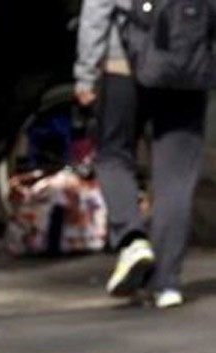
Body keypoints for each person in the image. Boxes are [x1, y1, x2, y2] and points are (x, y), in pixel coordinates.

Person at [75, 0, 208, 308]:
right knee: (176, 178)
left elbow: (97, 8)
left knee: (113, 156)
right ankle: (167, 284)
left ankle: (132, 239)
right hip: (186, 65)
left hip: (122, 64)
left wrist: (86, 73)